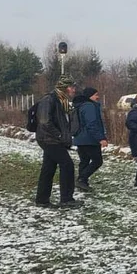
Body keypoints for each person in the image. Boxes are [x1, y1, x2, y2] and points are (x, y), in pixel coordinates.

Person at [35, 74, 82, 208]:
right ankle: (66, 199)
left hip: (52, 139)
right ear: (66, 88)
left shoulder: (62, 101)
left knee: (48, 168)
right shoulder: (49, 99)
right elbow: (44, 122)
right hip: (49, 139)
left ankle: (42, 200)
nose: (74, 90)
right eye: (72, 87)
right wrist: (60, 136)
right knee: (67, 165)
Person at [71, 87, 107, 192]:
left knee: (84, 161)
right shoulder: (89, 106)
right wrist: (100, 138)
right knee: (97, 161)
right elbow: (92, 124)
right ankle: (82, 179)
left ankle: (83, 183)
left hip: (80, 138)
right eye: (96, 95)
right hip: (89, 139)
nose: (98, 97)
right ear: (90, 96)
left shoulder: (79, 106)